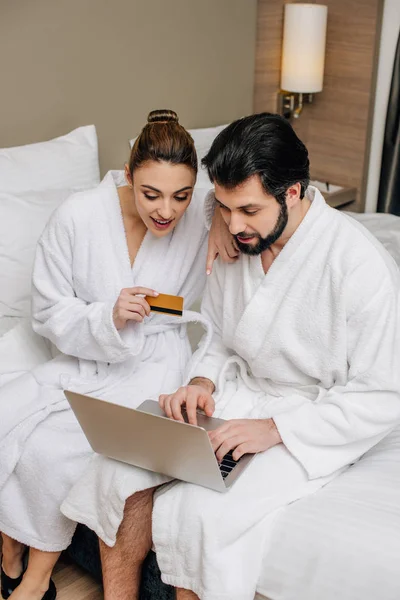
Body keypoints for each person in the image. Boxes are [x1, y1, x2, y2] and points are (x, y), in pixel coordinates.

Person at [63, 112, 400, 600]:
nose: (233, 224)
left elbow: (380, 395)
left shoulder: (360, 267)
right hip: (239, 394)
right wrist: (203, 382)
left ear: (293, 192)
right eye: (223, 207)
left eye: (247, 210)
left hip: (308, 418)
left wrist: (274, 430)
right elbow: (220, 334)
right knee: (117, 472)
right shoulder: (233, 232)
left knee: (200, 516)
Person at [0, 109, 236, 600]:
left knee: (60, 449)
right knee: (14, 421)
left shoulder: (204, 216)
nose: (166, 211)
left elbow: (250, 204)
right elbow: (46, 309)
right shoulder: (79, 215)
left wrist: (217, 222)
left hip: (153, 366)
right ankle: (12, 551)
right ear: (128, 176)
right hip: (87, 356)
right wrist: (106, 316)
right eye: (151, 194)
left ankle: (38, 577)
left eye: (182, 195)